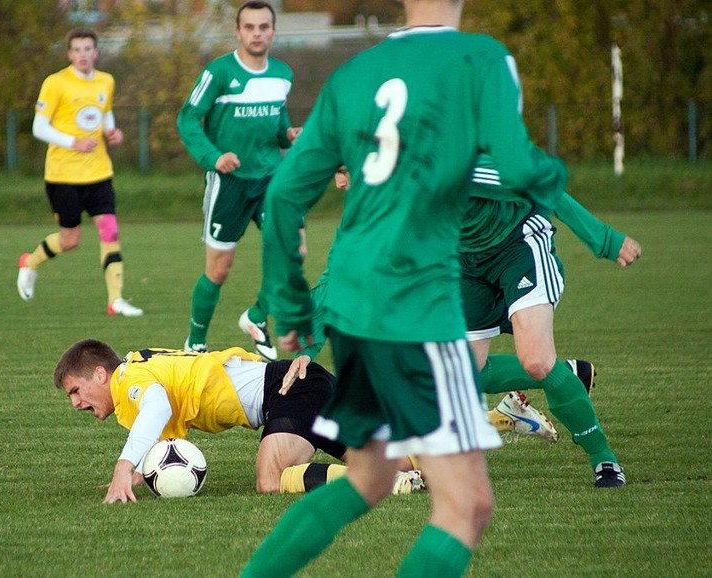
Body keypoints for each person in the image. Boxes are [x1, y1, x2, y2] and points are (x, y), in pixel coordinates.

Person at [242, 0, 567, 576]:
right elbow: (518, 168)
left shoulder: (353, 75)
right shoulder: (483, 58)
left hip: (355, 305)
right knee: (466, 506)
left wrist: (293, 304)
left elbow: (285, 194)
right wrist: (550, 176)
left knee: (370, 478)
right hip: (419, 302)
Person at [53, 339, 424, 503]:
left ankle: (389, 483)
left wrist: (124, 465)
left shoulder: (129, 380)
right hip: (299, 388)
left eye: (75, 390)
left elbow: (158, 407)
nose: (75, 403)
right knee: (406, 459)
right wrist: (133, 477)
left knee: (271, 479)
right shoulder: (135, 376)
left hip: (288, 388)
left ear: (100, 374)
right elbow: (158, 435)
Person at [459, 153, 642, 487]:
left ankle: (603, 458)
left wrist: (605, 240)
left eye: (344, 171)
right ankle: (565, 376)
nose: (340, 182)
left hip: (519, 248)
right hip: (465, 264)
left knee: (537, 362)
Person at [176, 0, 301, 359]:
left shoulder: (282, 74)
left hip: (270, 180)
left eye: (264, 26)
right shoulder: (218, 72)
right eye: (250, 27)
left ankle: (257, 316)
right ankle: (195, 342)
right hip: (229, 184)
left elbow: (276, 124)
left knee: (293, 251)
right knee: (218, 270)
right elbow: (187, 119)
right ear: (238, 31)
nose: (257, 33)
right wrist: (213, 156)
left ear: (273, 32)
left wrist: (288, 135)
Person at [16, 28, 142, 317]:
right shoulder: (55, 83)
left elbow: (104, 113)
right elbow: (39, 127)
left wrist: (112, 132)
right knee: (70, 240)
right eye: (78, 49)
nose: (83, 54)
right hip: (62, 175)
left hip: (98, 171)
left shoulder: (106, 81)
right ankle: (30, 262)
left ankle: (116, 300)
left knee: (109, 229)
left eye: (88, 49)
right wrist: (74, 142)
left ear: (96, 52)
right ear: (70, 54)